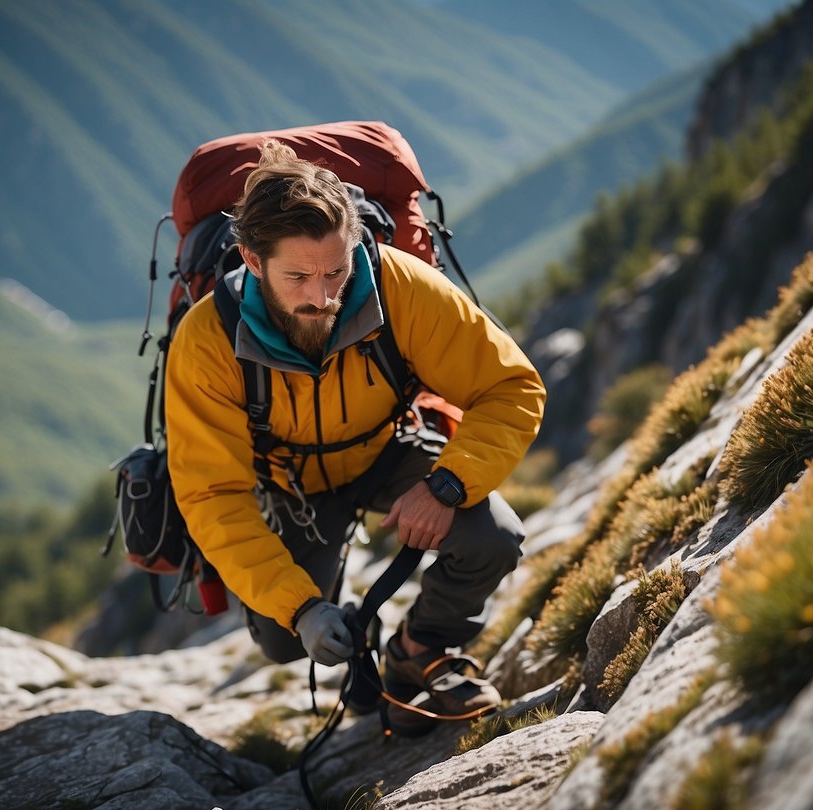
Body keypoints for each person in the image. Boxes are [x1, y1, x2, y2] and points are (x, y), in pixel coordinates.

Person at [165, 140, 545, 732]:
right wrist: (303, 607)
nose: (323, 296)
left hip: (387, 449)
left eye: (336, 270)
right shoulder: (206, 341)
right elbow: (213, 495)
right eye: (298, 276)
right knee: (284, 639)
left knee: (492, 537)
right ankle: (344, 631)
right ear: (252, 259)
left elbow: (511, 387)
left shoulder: (399, 287)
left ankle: (419, 651)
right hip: (290, 487)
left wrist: (447, 485)